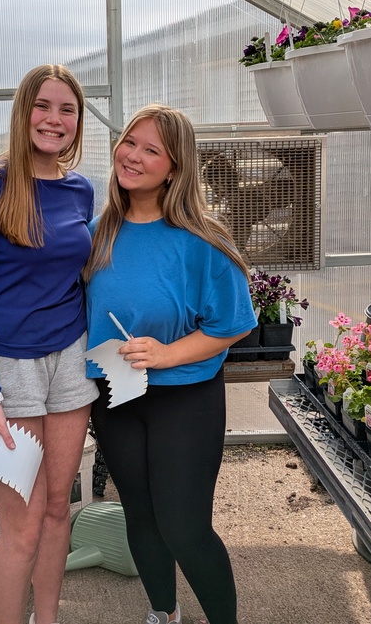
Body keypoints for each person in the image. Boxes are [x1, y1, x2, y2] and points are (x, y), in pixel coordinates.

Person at [83, 104, 256, 624]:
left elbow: (234, 323)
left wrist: (166, 354)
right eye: (129, 142)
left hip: (187, 396)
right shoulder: (98, 232)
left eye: (151, 149)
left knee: (184, 526)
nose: (132, 155)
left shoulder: (203, 239)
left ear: (175, 167)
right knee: (141, 514)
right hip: (116, 394)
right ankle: (164, 613)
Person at [0, 64, 99, 624]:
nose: (54, 119)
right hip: (5, 371)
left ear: (78, 121)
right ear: (23, 111)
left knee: (60, 508)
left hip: (69, 363)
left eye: (67, 109)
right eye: (43, 106)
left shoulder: (80, 188)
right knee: (22, 523)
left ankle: (49, 619)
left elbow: (81, 276)